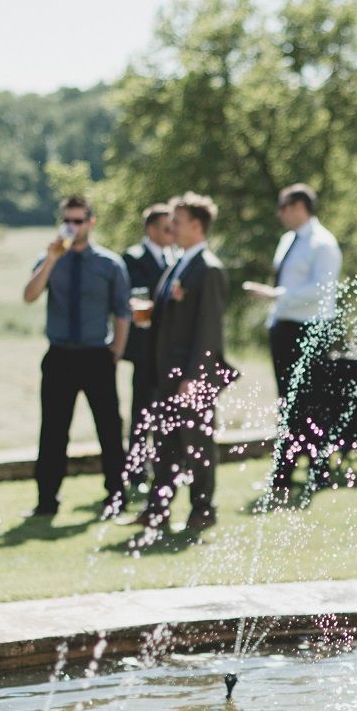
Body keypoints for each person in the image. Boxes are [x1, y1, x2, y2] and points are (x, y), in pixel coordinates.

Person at [21, 195, 132, 518]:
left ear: (91, 223)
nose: (73, 226)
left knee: (109, 430)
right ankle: (46, 501)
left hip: (98, 356)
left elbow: (122, 312)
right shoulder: (49, 258)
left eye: (79, 220)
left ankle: (116, 497)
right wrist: (52, 260)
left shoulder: (110, 264)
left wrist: (117, 353)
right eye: (67, 220)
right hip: (59, 356)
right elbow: (29, 296)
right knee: (53, 431)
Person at [141, 193, 235, 533]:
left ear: (196, 225)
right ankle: (158, 508)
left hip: (191, 377)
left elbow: (209, 330)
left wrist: (195, 376)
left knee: (196, 444)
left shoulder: (208, 269)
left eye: (177, 222)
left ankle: (203, 509)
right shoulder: (177, 264)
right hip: (167, 373)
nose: (171, 227)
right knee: (166, 443)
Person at [244, 183, 342, 497]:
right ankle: (286, 469)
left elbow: (323, 289)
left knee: (310, 401)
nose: (279, 214)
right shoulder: (288, 240)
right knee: (288, 401)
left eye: (283, 207)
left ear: (300, 206)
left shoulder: (323, 243)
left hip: (310, 330)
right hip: (284, 328)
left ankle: (317, 469)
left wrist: (277, 296)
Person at [122, 203, 173, 469]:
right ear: (151, 229)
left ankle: (165, 463)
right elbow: (132, 295)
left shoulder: (173, 256)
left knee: (166, 410)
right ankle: (137, 468)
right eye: (166, 228)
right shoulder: (133, 257)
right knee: (141, 409)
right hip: (144, 347)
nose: (171, 232)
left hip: (167, 347)